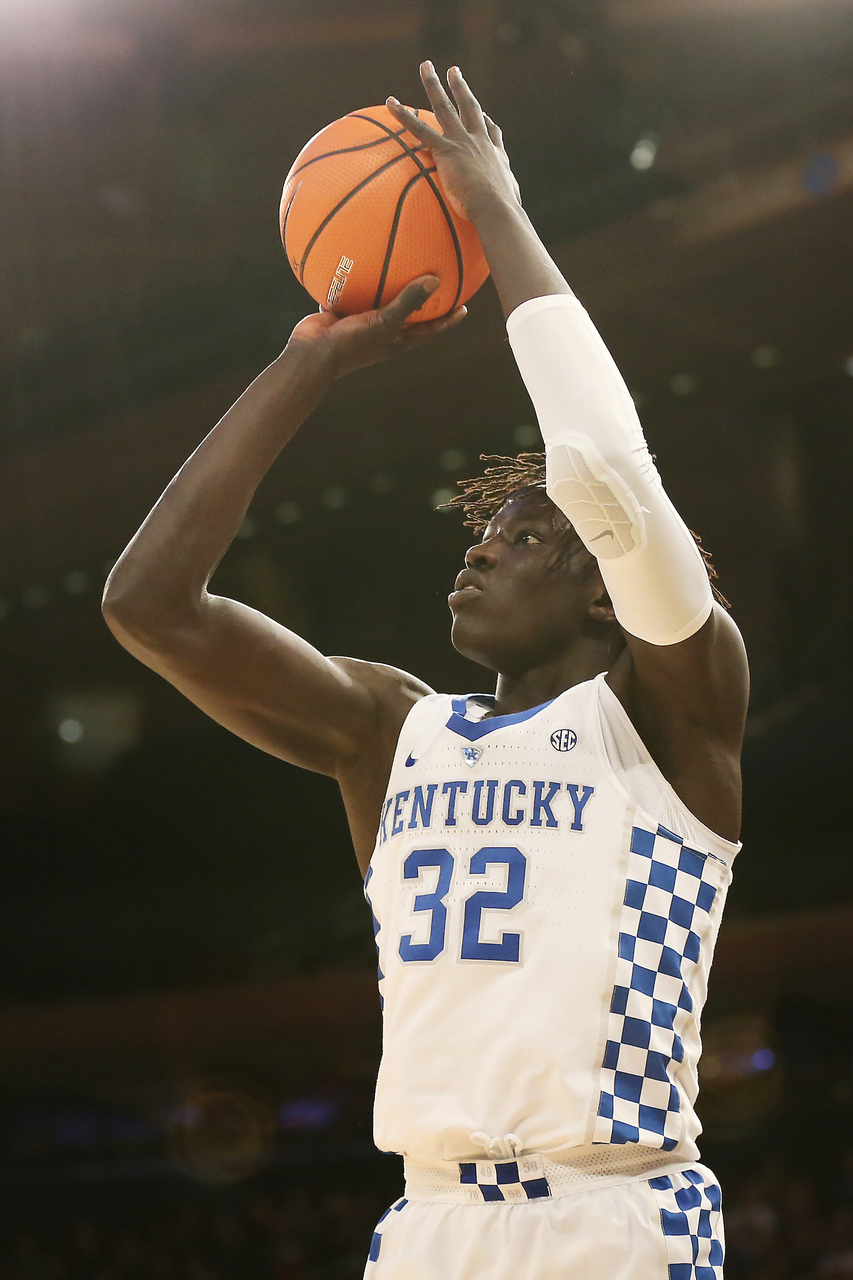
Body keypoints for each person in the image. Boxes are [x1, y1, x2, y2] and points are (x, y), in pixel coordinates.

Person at [103, 61, 749, 1280]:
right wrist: (310, 361)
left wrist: (494, 208)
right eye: (480, 536)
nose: (480, 553)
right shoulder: (391, 729)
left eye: (522, 539)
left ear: (605, 586)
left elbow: (606, 467)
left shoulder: (671, 712)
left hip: (612, 1214)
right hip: (430, 1222)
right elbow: (149, 604)